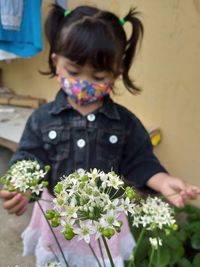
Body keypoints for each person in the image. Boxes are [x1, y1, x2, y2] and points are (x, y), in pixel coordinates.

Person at [0, 3, 200, 267]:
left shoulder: (125, 123)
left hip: (104, 219)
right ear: (55, 60)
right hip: (59, 219)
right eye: (73, 71)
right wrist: (21, 185)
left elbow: (140, 160)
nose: (84, 83)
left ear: (116, 73)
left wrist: (162, 182)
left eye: (98, 76)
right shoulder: (42, 118)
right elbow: (29, 156)